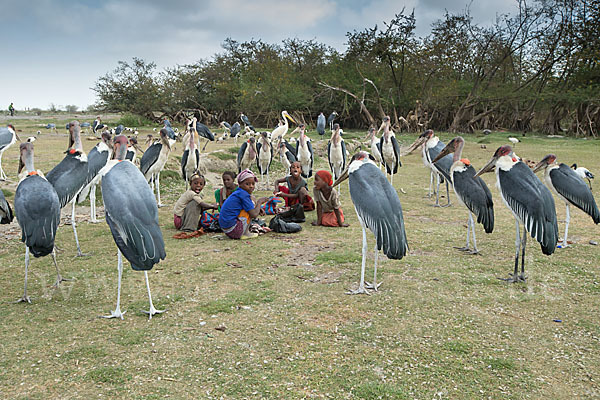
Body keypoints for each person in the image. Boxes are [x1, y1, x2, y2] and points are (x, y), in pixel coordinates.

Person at [219, 169, 269, 239]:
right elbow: (253, 214)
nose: (251, 186)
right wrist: (259, 202)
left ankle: (244, 231)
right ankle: (246, 233)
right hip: (234, 230)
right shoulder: (244, 195)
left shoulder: (239, 193)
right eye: (247, 184)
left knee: (249, 206)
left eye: (253, 184)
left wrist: (258, 208)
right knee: (250, 208)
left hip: (227, 229)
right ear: (240, 184)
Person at [173, 173, 219, 239]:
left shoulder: (193, 194)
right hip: (179, 220)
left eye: (201, 184)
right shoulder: (191, 193)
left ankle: (190, 225)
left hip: (179, 219)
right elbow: (202, 204)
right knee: (195, 203)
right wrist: (212, 206)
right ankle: (189, 228)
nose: (198, 186)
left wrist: (210, 206)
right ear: (190, 184)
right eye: (195, 183)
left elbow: (201, 208)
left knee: (197, 204)